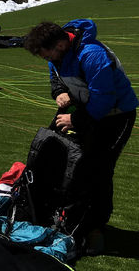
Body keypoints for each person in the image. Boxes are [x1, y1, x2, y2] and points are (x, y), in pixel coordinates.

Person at [23, 19, 138, 253]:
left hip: (115, 116)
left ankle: (95, 228)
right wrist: (59, 91)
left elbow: (105, 98)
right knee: (60, 157)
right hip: (84, 108)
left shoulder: (92, 55)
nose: (48, 61)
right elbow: (54, 73)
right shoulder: (57, 55)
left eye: (47, 55)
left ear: (61, 45)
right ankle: (63, 212)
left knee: (99, 169)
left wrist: (75, 121)